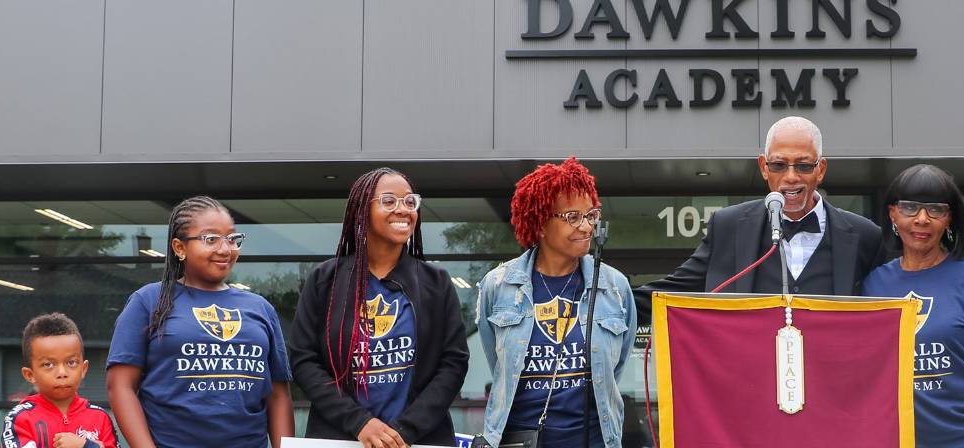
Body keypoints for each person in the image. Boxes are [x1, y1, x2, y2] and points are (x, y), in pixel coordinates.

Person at [633, 116, 885, 319]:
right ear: (764, 168)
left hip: (832, 377)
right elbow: (670, 292)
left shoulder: (865, 236)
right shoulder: (728, 227)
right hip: (750, 377)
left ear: (821, 170)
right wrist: (603, 303)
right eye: (779, 165)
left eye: (804, 165)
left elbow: (886, 310)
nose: (791, 177)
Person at [290, 168, 469, 448]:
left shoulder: (436, 282)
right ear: (362, 211)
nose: (403, 210)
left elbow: (453, 364)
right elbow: (304, 361)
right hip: (341, 438)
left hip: (417, 440)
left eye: (410, 202)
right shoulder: (326, 280)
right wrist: (360, 423)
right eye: (389, 201)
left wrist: (404, 431)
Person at [475, 156, 637, 448]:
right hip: (518, 440)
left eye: (591, 215)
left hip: (594, 441)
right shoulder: (498, 286)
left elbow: (614, 367)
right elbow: (499, 365)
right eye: (572, 217)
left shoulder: (614, 286)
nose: (587, 227)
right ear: (539, 225)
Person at [107, 196, 293, 448]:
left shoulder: (260, 308)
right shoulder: (148, 301)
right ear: (179, 247)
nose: (225, 249)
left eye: (231, 238)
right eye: (211, 239)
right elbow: (120, 386)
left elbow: (278, 395)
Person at [862, 164, 964, 447]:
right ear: (892, 213)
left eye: (936, 210)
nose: (922, 219)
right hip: (900, 439)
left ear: (949, 219)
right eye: (910, 207)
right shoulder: (873, 286)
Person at [3, 313, 119, 448]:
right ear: (30, 375)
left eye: (71, 362)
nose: (62, 373)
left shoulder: (100, 417)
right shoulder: (20, 418)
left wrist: (86, 445)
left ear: (84, 369)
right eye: (48, 365)